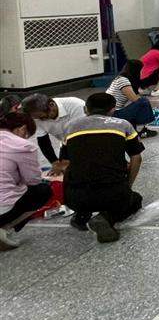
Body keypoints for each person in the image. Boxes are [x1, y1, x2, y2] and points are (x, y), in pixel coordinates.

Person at [60, 93, 145, 243]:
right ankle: (105, 218)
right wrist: (127, 186)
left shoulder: (69, 127)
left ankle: (81, 215)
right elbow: (136, 158)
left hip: (75, 197)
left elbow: (65, 163)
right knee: (135, 200)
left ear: (86, 109)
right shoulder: (123, 125)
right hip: (112, 193)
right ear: (112, 110)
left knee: (81, 183)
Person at [0, 111, 53, 250]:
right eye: (26, 135)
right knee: (43, 190)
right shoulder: (22, 146)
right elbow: (33, 180)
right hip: (3, 207)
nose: (25, 138)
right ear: (22, 128)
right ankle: (4, 228)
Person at [20, 94, 86, 164]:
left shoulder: (76, 105)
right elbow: (43, 141)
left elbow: (81, 136)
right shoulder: (36, 117)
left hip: (87, 138)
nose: (41, 120)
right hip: (66, 143)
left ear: (51, 105)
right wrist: (54, 162)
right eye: (37, 118)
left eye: (43, 117)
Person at [106, 60, 157, 138]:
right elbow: (134, 99)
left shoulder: (121, 79)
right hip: (114, 114)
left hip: (113, 112)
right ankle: (141, 131)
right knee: (143, 102)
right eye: (141, 70)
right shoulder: (123, 81)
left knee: (140, 104)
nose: (142, 72)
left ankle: (138, 129)